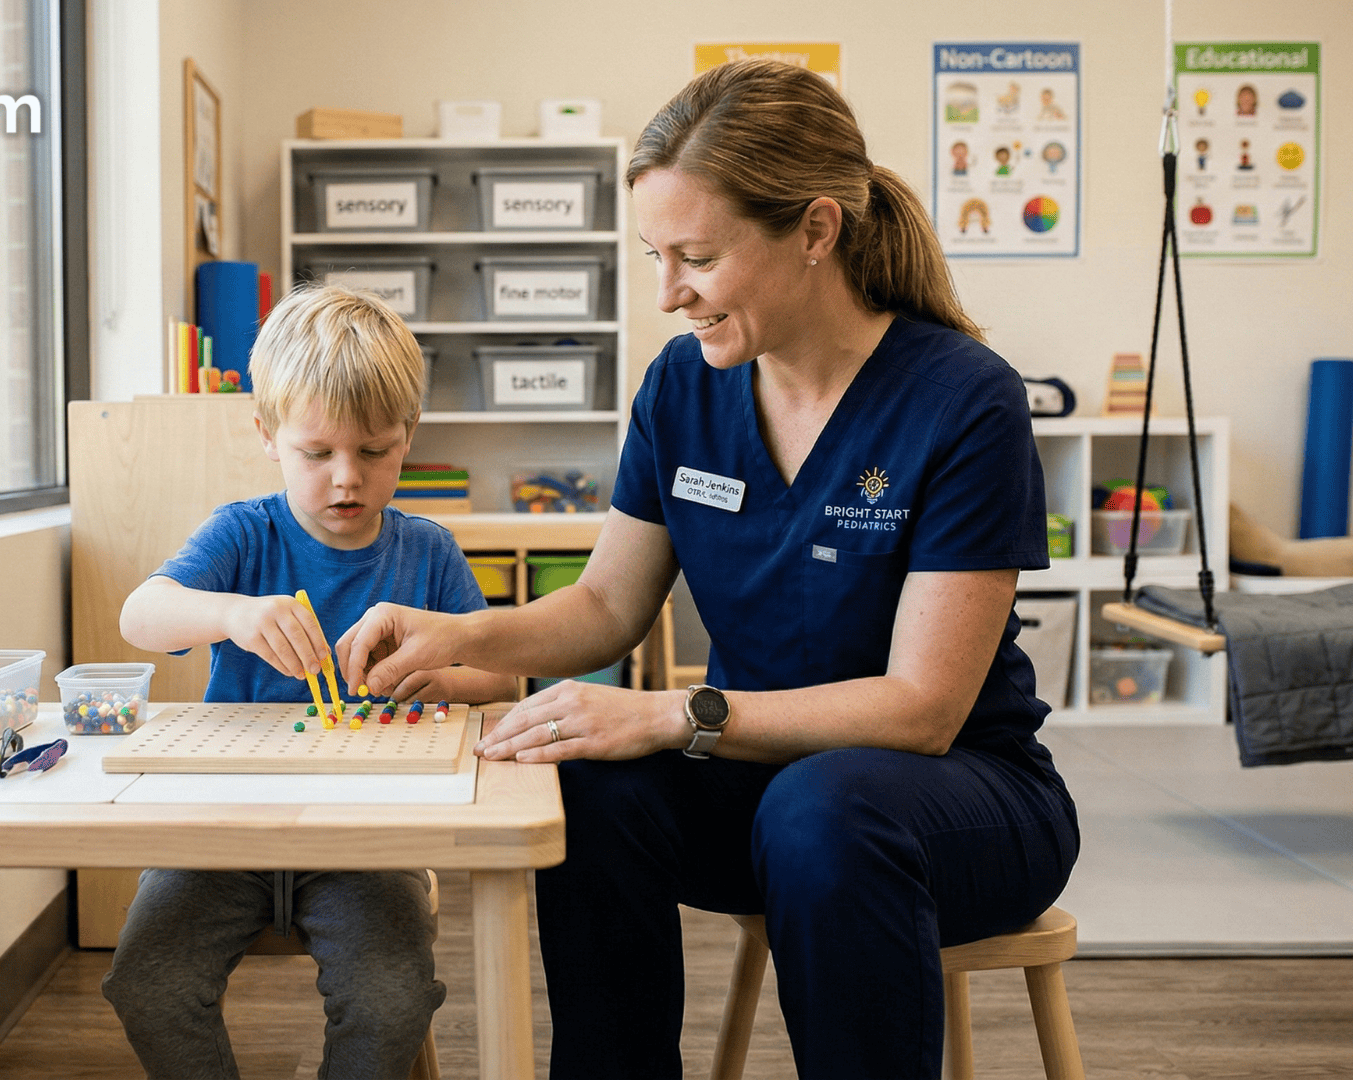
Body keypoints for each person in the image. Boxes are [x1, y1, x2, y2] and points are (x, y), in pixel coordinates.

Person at [337, 58, 1079, 1079]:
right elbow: (604, 606)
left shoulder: (963, 401)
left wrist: (676, 715)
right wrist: (459, 635)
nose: (667, 292)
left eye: (696, 257)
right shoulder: (683, 388)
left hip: (956, 802)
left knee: (824, 809)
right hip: (760, 790)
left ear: (816, 231)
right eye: (654, 254)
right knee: (593, 788)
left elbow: (923, 711)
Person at [101, 285, 514, 1079]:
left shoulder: (426, 550)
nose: (345, 480)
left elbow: (496, 673)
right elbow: (141, 615)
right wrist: (230, 615)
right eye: (316, 453)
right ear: (266, 435)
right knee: (149, 986)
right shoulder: (240, 534)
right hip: (220, 829)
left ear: (410, 437)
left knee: (391, 999)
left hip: (371, 836)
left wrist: (429, 675)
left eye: (375, 450)